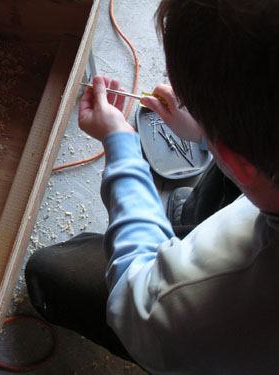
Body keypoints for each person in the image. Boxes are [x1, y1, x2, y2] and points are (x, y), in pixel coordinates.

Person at [25, 0, 279, 373]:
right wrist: (207, 134)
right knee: (209, 194)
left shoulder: (211, 297)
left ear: (241, 163)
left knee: (51, 270)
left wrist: (121, 145)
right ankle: (193, 214)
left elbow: (134, 298)